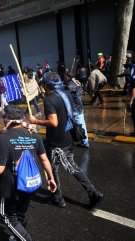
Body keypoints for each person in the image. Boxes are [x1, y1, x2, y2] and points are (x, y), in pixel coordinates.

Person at [0, 105, 57, 241]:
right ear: (22, 119)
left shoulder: (4, 137)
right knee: (21, 213)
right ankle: (20, 237)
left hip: (11, 187)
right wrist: (51, 178)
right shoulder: (33, 133)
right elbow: (44, 159)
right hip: (29, 182)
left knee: (7, 216)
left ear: (6, 119)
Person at [29, 72, 103, 208]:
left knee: (56, 169)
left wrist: (36, 121)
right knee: (67, 166)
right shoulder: (65, 93)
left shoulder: (50, 99)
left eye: (43, 83)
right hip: (67, 137)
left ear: (46, 85)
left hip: (57, 143)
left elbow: (53, 122)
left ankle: (60, 197)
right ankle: (88, 192)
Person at [64, 73, 89, 148]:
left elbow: (66, 94)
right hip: (78, 107)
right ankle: (83, 141)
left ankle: (82, 142)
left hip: (74, 109)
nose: (64, 79)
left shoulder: (70, 85)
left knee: (74, 125)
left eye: (65, 77)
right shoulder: (77, 83)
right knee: (81, 125)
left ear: (68, 78)